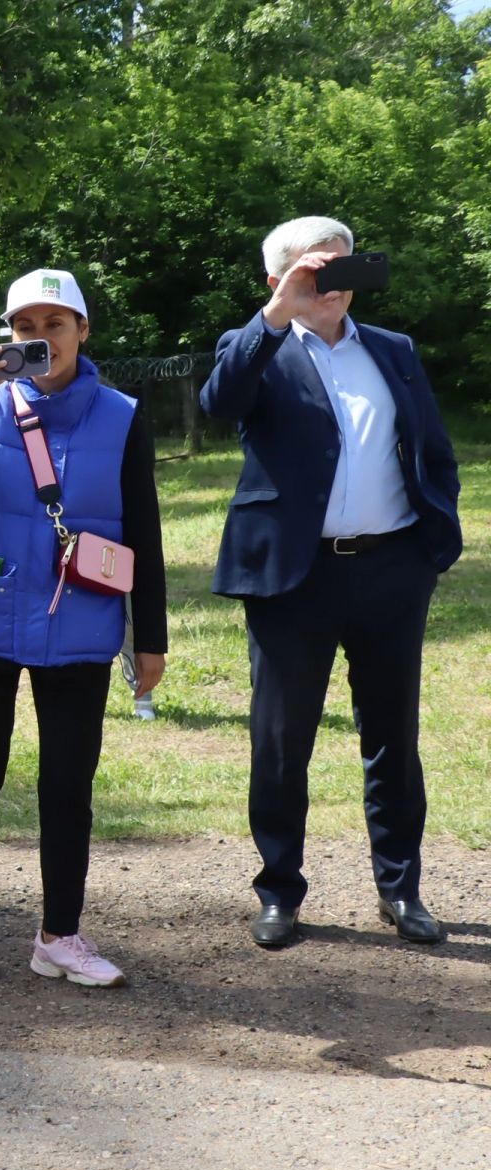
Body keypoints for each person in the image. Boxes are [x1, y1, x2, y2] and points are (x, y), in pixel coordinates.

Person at [200, 216, 462, 949]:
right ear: (280, 280)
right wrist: (278, 313)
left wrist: (429, 545)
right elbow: (220, 402)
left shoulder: (394, 351)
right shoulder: (258, 349)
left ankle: (400, 888)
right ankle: (280, 891)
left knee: (392, 737)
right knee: (282, 743)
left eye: (345, 269)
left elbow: (434, 452)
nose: (336, 285)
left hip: (390, 569)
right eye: (320, 272)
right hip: (294, 577)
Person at [0, 268, 167, 990]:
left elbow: (142, 526)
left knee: (68, 787)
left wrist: (151, 637)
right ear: (7, 334)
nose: (39, 339)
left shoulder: (120, 414)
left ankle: (60, 935)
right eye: (25, 326)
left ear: (83, 331)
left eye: (55, 324)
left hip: (77, 619)